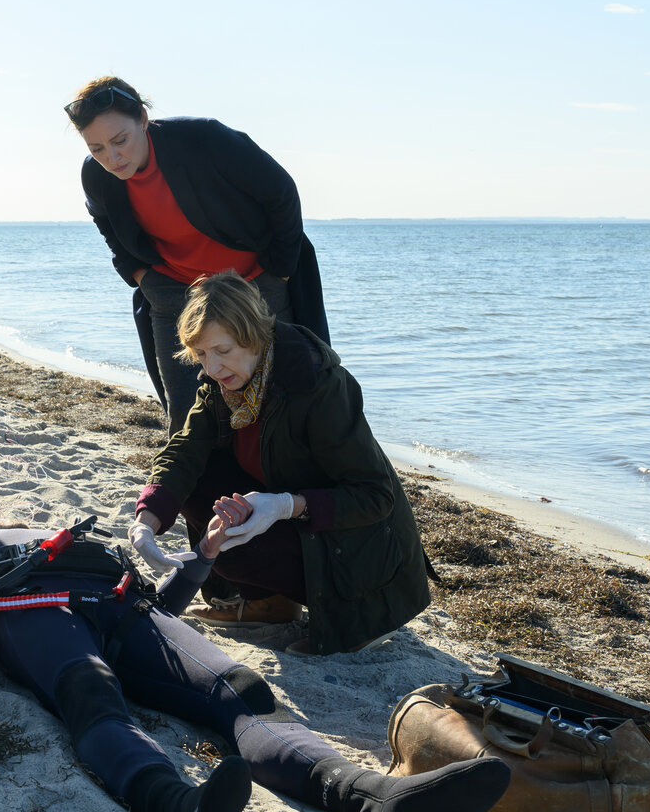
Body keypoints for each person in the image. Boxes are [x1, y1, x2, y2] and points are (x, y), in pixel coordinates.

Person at [0, 519, 509, 812]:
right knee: (92, 696)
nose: (1, 510)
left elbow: (165, 599)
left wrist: (199, 561)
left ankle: (369, 797)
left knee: (242, 689)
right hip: (30, 602)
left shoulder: (74, 532)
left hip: (125, 606)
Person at [127, 272, 434, 648]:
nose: (211, 368)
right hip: (295, 520)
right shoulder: (222, 383)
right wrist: (146, 519)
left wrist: (286, 505)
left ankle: (358, 621)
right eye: (202, 355)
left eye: (222, 351)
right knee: (197, 484)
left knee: (231, 540)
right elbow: (184, 450)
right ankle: (271, 603)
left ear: (253, 334)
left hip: (362, 553)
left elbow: (374, 496)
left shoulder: (319, 385)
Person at [69, 78, 328, 435]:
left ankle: (288, 486)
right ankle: (192, 487)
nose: (111, 158)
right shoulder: (96, 174)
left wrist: (280, 270)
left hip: (255, 280)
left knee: (285, 391)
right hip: (175, 286)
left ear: (143, 119)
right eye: (96, 148)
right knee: (187, 410)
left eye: (120, 140)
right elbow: (104, 221)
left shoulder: (205, 139)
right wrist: (142, 276)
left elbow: (281, 193)